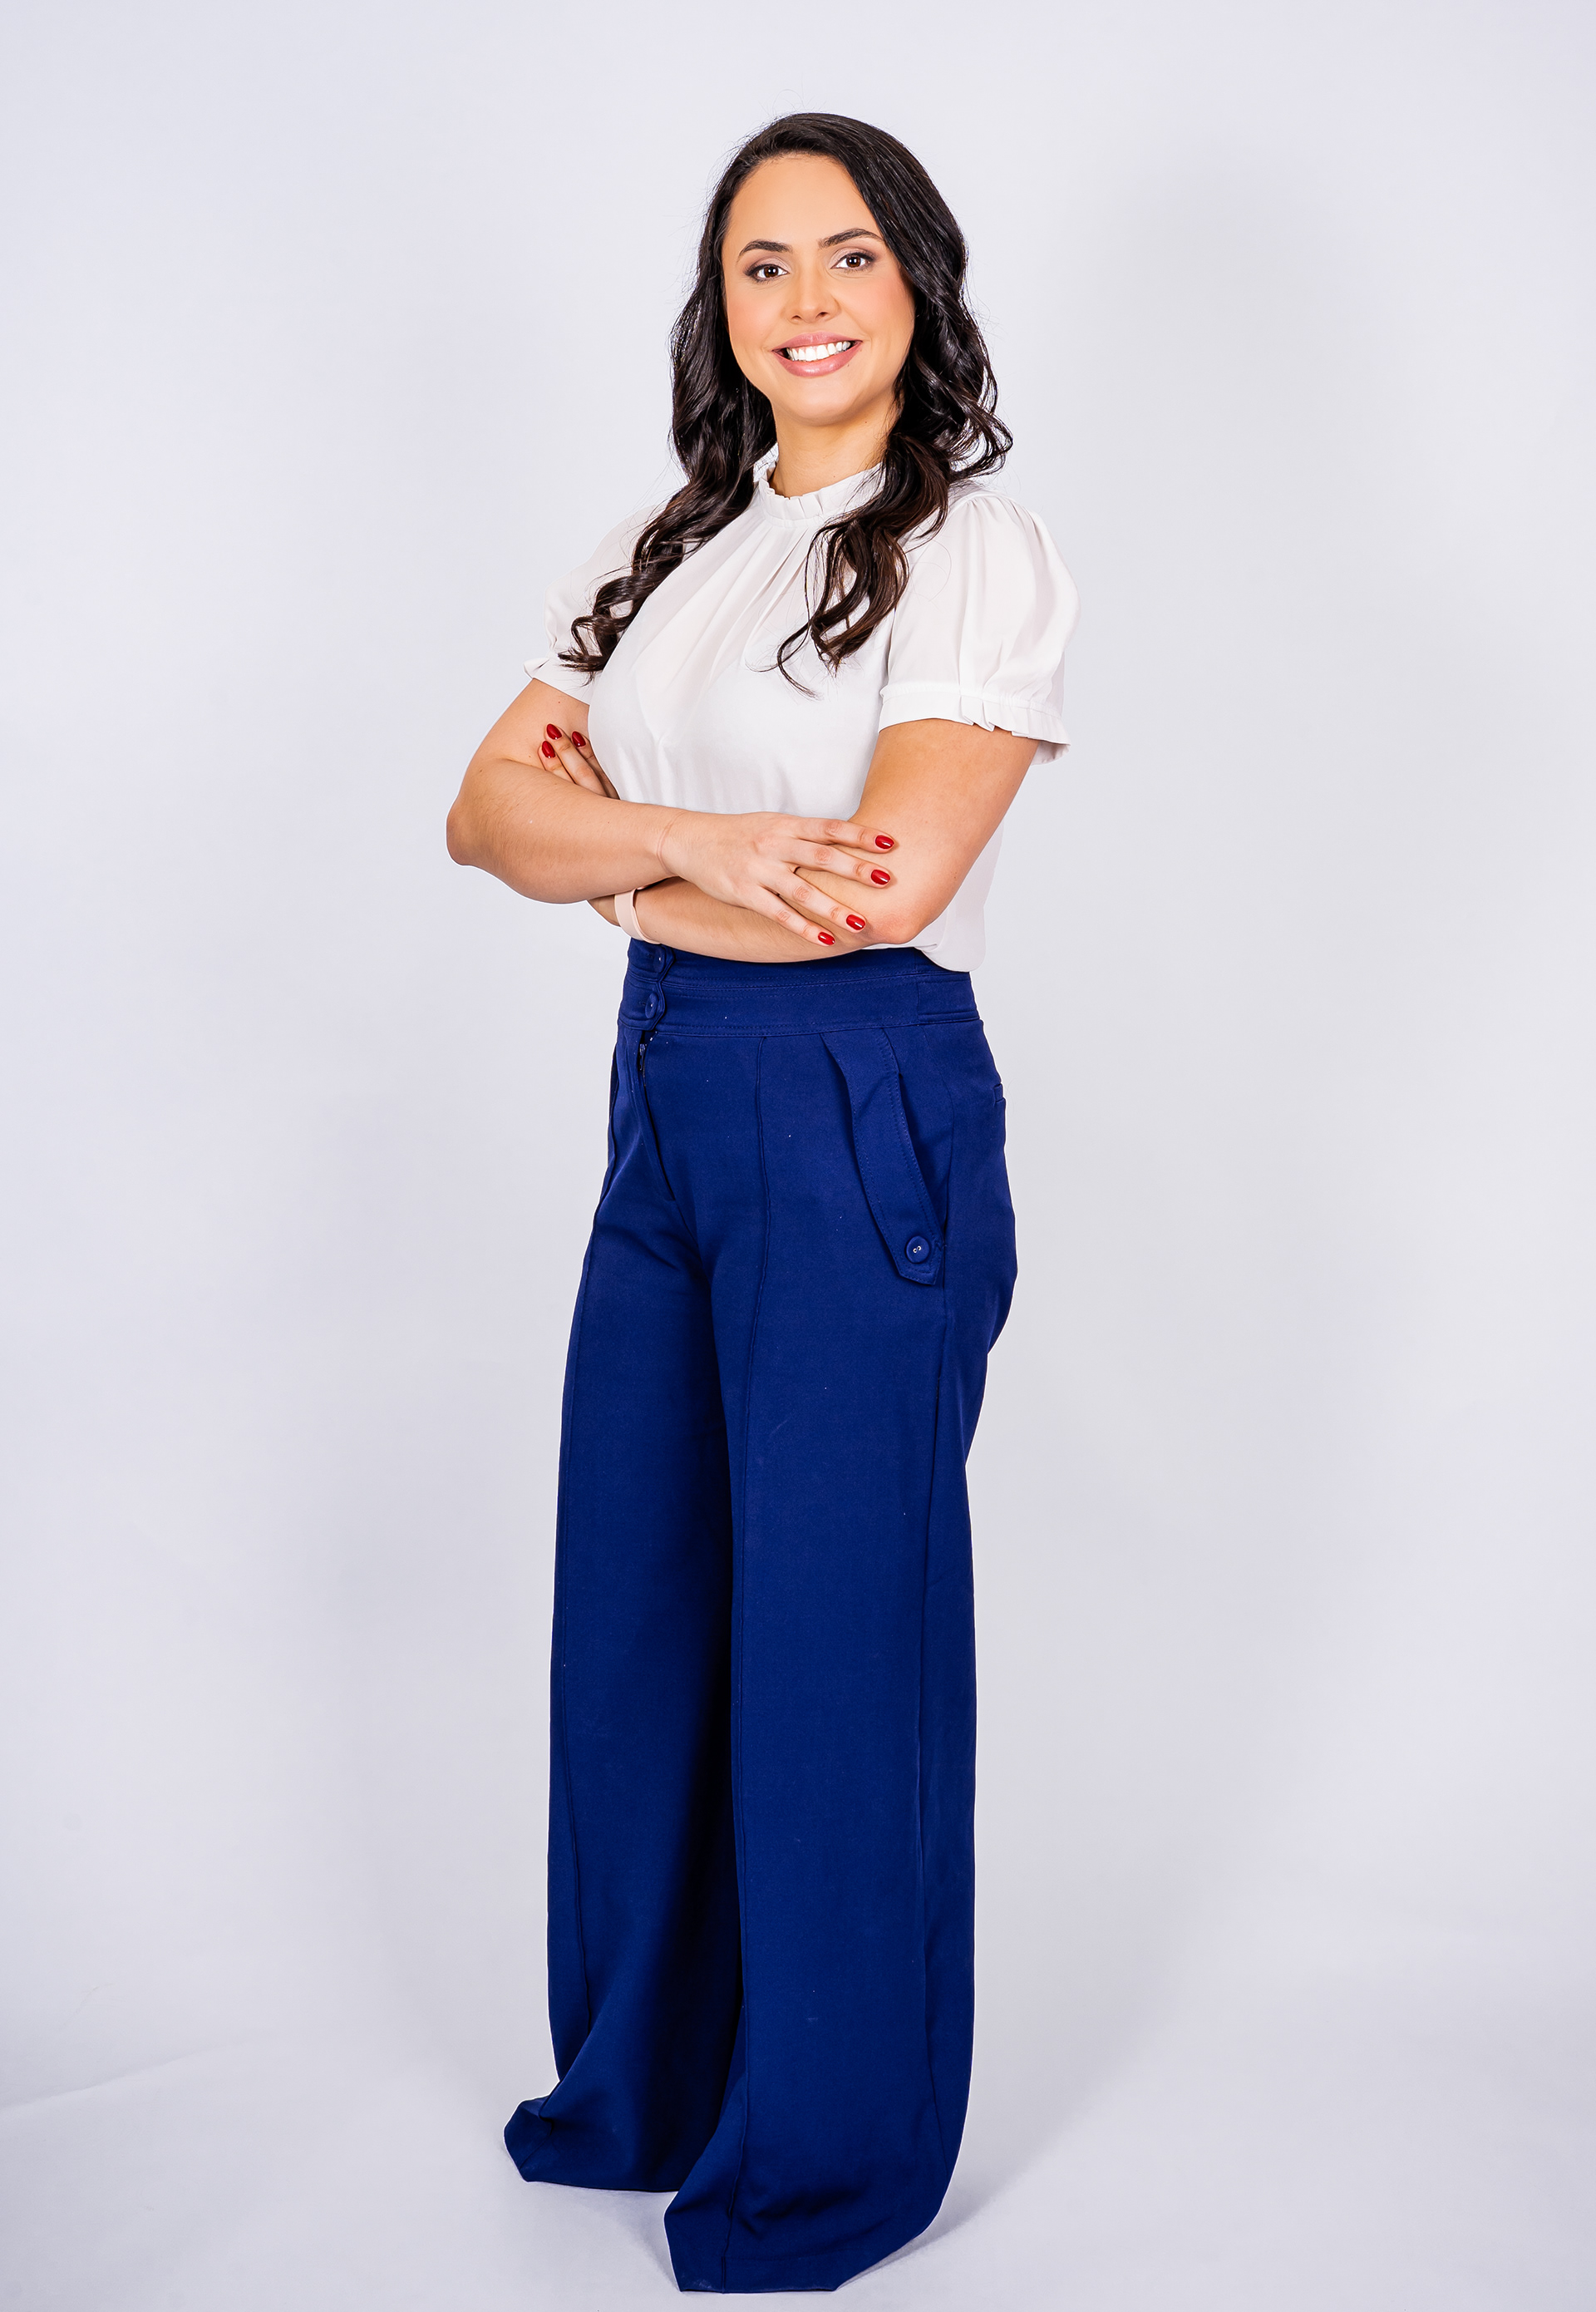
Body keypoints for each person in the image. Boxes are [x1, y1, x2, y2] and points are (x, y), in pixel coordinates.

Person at [446, 110, 1078, 2295]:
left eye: (848, 256)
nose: (807, 302)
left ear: (918, 283)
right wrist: (704, 850)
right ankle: (643, 2086)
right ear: (720, 313)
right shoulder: (678, 543)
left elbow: (882, 888)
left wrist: (627, 861)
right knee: (635, 1617)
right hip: (668, 1104)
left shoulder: (970, 549)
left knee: (829, 1649)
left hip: (853, 1102)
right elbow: (481, 815)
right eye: (762, 268)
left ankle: (824, 2157)